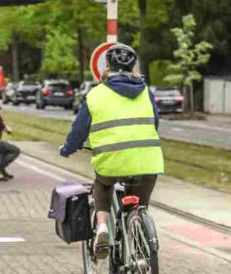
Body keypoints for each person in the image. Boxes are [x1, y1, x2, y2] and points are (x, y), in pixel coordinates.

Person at [59, 43, 163, 254]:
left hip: (111, 161)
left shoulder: (96, 95)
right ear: (135, 68)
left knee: (102, 184)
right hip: (149, 161)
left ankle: (103, 226)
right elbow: (155, 123)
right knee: (139, 205)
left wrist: (67, 149)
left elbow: (79, 131)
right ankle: (140, 238)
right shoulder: (146, 93)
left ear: (106, 68)